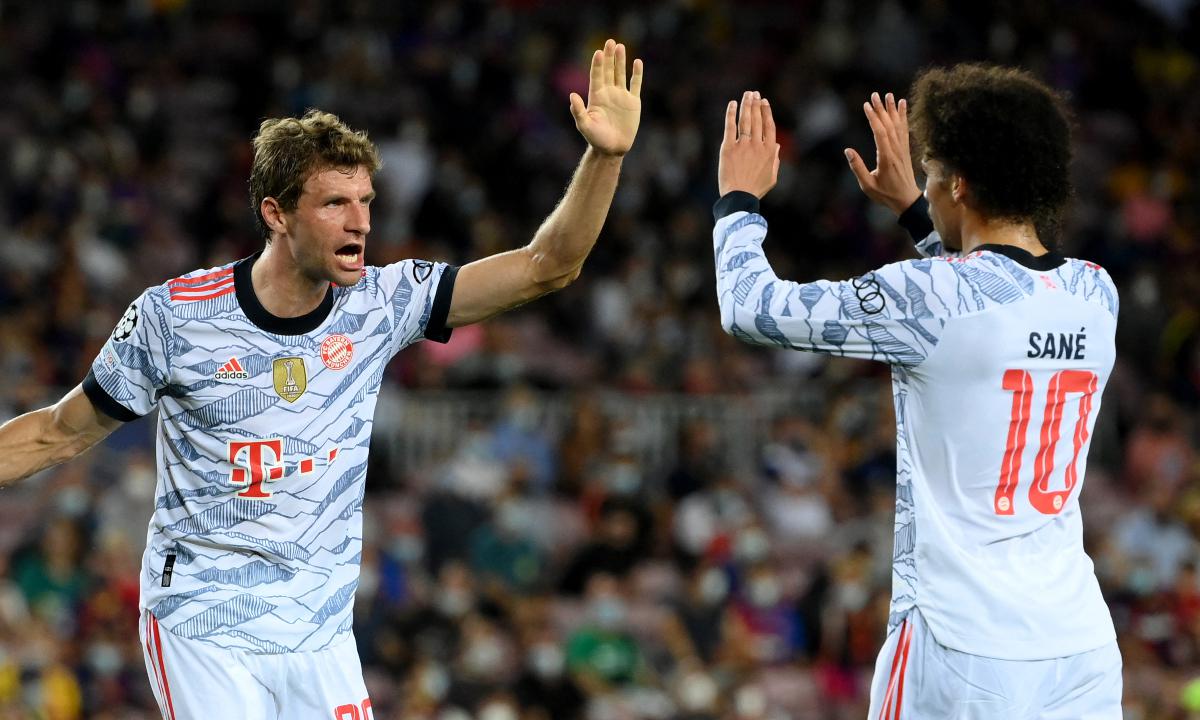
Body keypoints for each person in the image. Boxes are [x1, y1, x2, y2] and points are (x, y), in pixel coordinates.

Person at [0, 38, 643, 720]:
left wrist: (605, 157)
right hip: (202, 625)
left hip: (319, 635)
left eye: (365, 199)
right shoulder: (175, 320)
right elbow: (55, 435)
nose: (361, 222)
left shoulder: (381, 303)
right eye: (335, 203)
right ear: (276, 213)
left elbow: (550, 265)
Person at [713, 66, 1121, 718]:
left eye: (932, 178)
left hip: (961, 646)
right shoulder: (1095, 292)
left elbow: (749, 308)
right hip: (1079, 647)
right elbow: (988, 309)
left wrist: (738, 201)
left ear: (960, 185)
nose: (927, 193)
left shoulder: (929, 297)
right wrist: (912, 211)